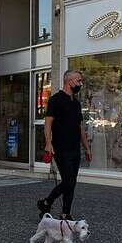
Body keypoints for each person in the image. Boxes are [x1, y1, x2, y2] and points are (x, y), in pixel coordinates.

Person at [38, 70, 92, 221]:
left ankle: (65, 213)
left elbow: (79, 127)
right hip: (60, 148)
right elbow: (48, 123)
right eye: (79, 81)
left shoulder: (76, 103)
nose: (81, 84)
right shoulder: (56, 99)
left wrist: (86, 148)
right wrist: (48, 143)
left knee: (72, 182)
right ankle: (47, 201)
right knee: (68, 181)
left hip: (75, 148)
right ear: (70, 81)